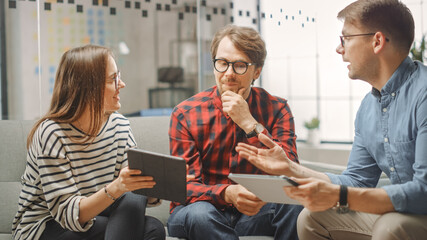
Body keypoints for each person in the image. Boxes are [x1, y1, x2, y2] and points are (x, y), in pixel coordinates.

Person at [236, 0, 427, 239]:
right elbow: (356, 180)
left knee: (392, 226)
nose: (339, 49)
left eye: (345, 38)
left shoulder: (424, 94)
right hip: (408, 213)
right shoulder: (368, 108)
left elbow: (423, 192)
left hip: (418, 211)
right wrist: (291, 168)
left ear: (377, 41)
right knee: (312, 217)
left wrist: (342, 196)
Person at [12, 45, 166, 240]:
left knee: (148, 218)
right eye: (113, 79)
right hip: (47, 226)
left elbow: (132, 191)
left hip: (98, 215)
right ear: (87, 87)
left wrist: (158, 183)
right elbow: (68, 214)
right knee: (145, 225)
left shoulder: (119, 125)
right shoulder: (52, 133)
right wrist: (118, 186)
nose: (122, 84)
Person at [166, 24, 303, 240]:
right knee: (201, 214)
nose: (228, 74)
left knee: (293, 204)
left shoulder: (277, 109)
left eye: (239, 65)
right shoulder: (186, 113)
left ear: (256, 71)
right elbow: (185, 185)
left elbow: (290, 171)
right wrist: (227, 193)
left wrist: (249, 123)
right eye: (222, 64)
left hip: (254, 212)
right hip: (200, 211)